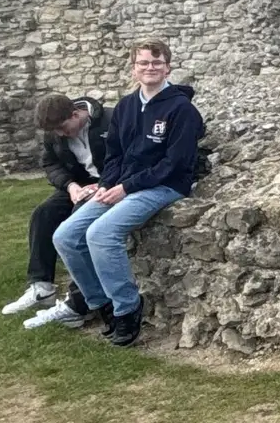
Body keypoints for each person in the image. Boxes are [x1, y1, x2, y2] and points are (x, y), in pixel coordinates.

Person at [52, 39, 204, 347]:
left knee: (101, 234)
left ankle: (127, 309)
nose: (150, 68)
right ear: (134, 68)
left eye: (156, 63)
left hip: (163, 186)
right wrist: (108, 184)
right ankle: (101, 302)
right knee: (65, 236)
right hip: (123, 185)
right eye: (144, 63)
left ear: (168, 67)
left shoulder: (181, 109)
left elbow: (174, 164)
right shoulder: (127, 106)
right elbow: (115, 154)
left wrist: (126, 187)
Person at [2, 94, 110, 329]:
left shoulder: (111, 121)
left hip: (110, 185)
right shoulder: (55, 131)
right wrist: (71, 187)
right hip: (79, 185)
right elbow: (50, 163)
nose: (60, 135)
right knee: (44, 214)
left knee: (75, 228)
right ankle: (41, 287)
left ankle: (79, 302)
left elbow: (125, 158)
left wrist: (102, 185)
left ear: (76, 114)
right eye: (55, 132)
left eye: (63, 128)